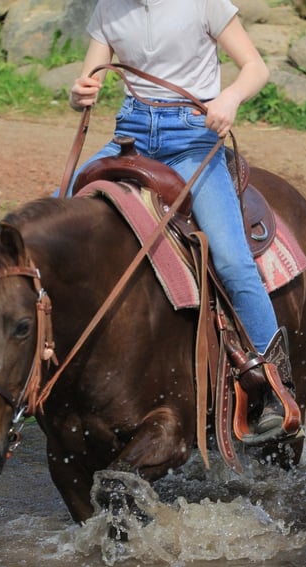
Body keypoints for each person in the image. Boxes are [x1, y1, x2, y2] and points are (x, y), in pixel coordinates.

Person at [65, 0, 287, 433]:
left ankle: (274, 385)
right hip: (129, 134)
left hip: (192, 139)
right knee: (56, 217)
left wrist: (231, 96)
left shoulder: (204, 2)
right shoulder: (109, 8)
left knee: (230, 258)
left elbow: (255, 67)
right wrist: (79, 95)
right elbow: (88, 80)